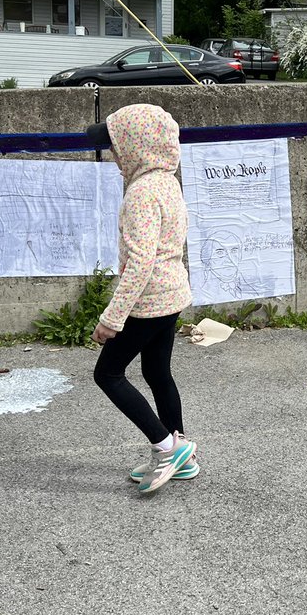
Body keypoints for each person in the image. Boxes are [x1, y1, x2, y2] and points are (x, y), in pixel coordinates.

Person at [85, 103, 197, 494]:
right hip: (172, 296)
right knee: (157, 373)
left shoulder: (141, 193)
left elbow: (140, 264)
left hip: (148, 303)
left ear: (137, 147)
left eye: (117, 147)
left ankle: (167, 448)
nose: (114, 156)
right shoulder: (167, 180)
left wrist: (111, 319)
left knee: (108, 374)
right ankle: (182, 453)